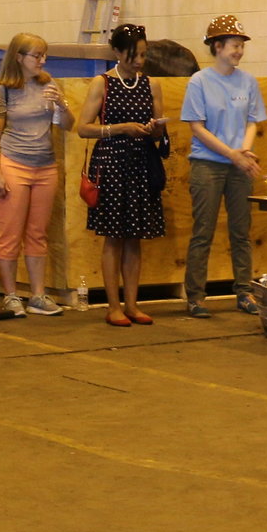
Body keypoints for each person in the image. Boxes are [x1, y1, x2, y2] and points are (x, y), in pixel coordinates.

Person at [80, 22, 168, 328]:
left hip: (142, 162)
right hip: (112, 165)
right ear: (116, 52)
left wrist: (156, 129)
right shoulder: (101, 83)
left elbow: (159, 129)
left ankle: (132, 304)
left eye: (143, 54)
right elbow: (82, 127)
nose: (139, 61)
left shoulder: (151, 85)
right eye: (132, 55)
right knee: (114, 238)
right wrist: (120, 128)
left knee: (136, 238)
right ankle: (112, 305)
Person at [180, 14, 267, 317]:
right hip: (208, 163)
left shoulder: (248, 82)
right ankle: (195, 296)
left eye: (241, 45)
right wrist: (232, 154)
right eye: (234, 45)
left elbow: (253, 121)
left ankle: (245, 291)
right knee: (203, 230)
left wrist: (243, 150)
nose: (239, 51)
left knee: (241, 230)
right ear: (217, 46)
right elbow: (197, 127)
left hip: (240, 164)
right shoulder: (200, 81)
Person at [0, 33, 72, 317]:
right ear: (19, 58)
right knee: (10, 233)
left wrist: (62, 104)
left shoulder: (49, 85)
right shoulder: (4, 91)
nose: (42, 61)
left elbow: (69, 125)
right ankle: (10, 295)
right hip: (14, 164)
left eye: (45, 55)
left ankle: (37, 295)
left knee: (37, 233)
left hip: (45, 166)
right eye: (37, 56)